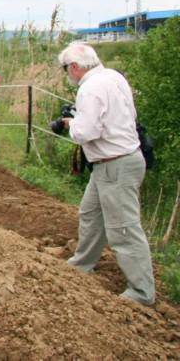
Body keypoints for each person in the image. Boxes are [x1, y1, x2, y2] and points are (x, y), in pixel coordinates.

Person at [59, 42, 155, 305]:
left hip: (116, 164)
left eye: (67, 68)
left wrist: (71, 124)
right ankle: (81, 264)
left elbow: (85, 132)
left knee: (124, 229)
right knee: (90, 214)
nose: (67, 72)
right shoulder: (114, 77)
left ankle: (141, 292)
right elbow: (126, 114)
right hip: (113, 161)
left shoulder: (89, 88)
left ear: (75, 67)